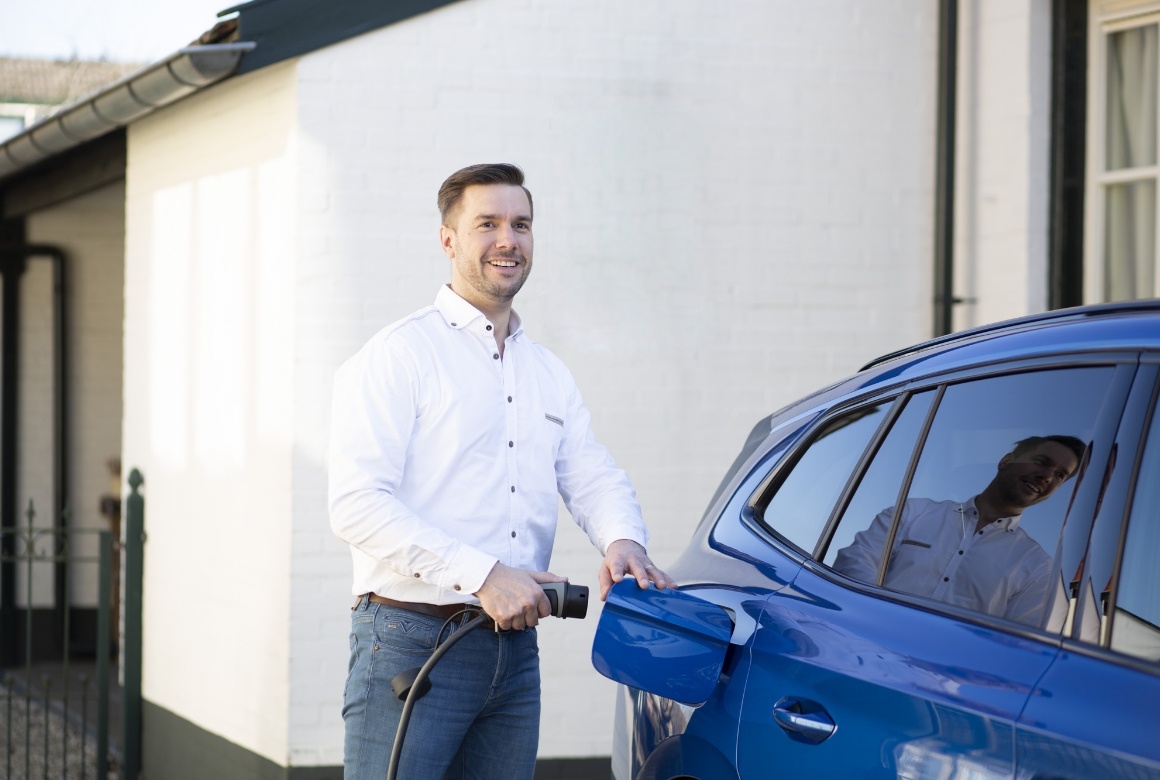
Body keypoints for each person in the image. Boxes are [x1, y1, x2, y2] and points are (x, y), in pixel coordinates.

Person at [329, 163, 673, 780]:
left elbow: (590, 471)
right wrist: (485, 575)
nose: (507, 239)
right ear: (448, 240)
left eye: (521, 223)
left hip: (514, 654)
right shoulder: (399, 355)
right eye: (486, 223)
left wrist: (624, 538)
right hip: (411, 642)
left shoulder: (546, 371)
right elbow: (355, 503)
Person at [833, 435, 1085, 627]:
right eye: (1042, 462)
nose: (1047, 476)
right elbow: (854, 564)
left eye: (1061, 475)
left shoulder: (1039, 568)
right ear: (1005, 461)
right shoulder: (912, 513)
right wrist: (882, 622)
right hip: (862, 646)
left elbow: (1017, 648)